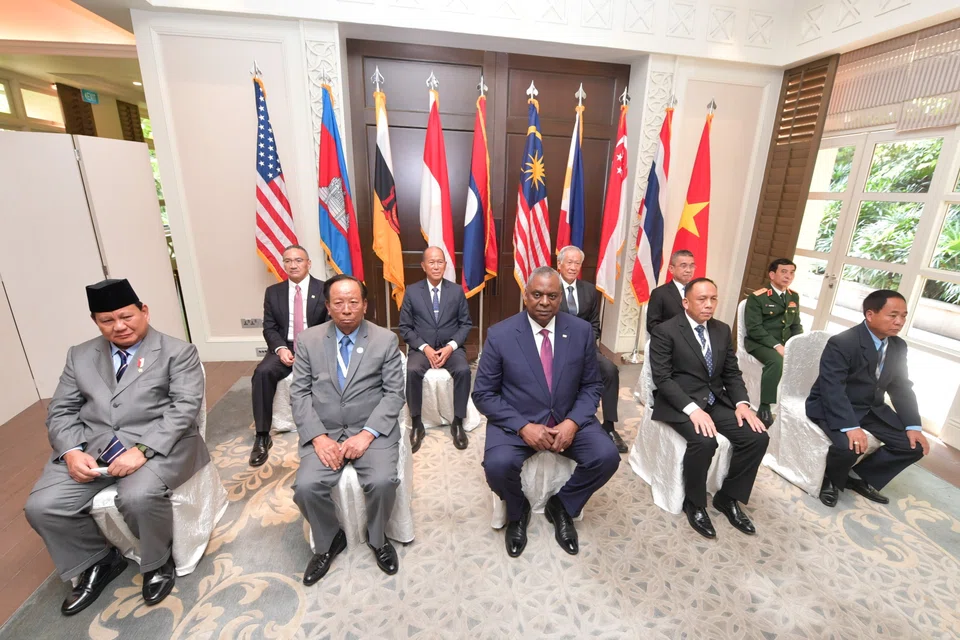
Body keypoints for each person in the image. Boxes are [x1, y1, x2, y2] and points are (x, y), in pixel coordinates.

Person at [25, 279, 207, 615]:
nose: (119, 326)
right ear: (96, 321)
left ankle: (157, 563)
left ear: (144, 311)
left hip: (155, 445)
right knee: (42, 506)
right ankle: (97, 560)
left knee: (138, 497)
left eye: (126, 316)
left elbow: (184, 409)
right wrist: (71, 451)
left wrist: (142, 449)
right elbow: (61, 409)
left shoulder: (177, 352)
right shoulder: (80, 355)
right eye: (107, 320)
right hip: (92, 448)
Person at [474, 267, 620, 558]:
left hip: (569, 418)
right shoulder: (501, 334)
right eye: (537, 295)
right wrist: (522, 426)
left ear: (560, 298)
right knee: (497, 467)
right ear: (525, 295)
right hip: (518, 423)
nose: (544, 302)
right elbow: (483, 394)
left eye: (552, 296)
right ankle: (518, 512)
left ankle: (563, 505)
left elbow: (592, 385)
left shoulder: (579, 332)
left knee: (607, 457)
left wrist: (573, 422)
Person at [290, 274, 406, 585]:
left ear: (365, 305)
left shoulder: (385, 340)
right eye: (338, 303)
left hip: (371, 429)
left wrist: (368, 434)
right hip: (324, 430)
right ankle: (329, 540)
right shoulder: (308, 340)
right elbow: (299, 393)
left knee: (383, 481)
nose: (346, 309)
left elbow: (395, 393)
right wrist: (317, 437)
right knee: (305, 488)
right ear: (327, 306)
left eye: (354, 302)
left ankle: (378, 538)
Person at [649, 277, 769, 539]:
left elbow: (731, 373)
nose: (709, 305)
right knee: (705, 441)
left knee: (757, 437)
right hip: (679, 403)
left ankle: (728, 498)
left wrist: (742, 404)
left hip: (715, 401)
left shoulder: (722, 330)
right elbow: (663, 379)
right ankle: (695, 503)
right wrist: (692, 409)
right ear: (685, 302)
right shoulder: (666, 331)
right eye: (702, 299)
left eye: (713, 299)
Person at [806, 289, 928, 507]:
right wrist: (849, 426)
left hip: (871, 407)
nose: (899, 322)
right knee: (848, 447)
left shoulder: (898, 346)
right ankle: (831, 480)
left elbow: (900, 387)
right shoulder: (843, 342)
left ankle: (860, 477)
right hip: (832, 404)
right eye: (893, 315)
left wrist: (913, 425)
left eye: (904, 316)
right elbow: (832, 388)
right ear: (870, 315)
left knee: (913, 447)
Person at [250, 245, 328, 467]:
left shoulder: (324, 289)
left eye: (298, 260)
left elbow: (329, 325)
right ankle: (262, 435)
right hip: (286, 345)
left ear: (308, 263)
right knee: (262, 373)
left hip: (316, 344)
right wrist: (281, 348)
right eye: (288, 261)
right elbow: (269, 327)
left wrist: (311, 347)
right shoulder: (273, 292)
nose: (293, 265)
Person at [399, 247, 473, 452]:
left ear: (445, 265)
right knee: (412, 371)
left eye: (440, 262)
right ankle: (417, 423)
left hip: (451, 347)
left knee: (464, 371)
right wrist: (425, 348)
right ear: (423, 266)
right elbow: (405, 327)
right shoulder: (412, 291)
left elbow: (466, 324)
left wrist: (451, 347)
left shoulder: (456, 291)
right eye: (431, 262)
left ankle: (458, 422)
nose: (436, 266)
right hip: (422, 348)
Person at [556, 245, 627, 453]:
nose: (573, 267)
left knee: (610, 370)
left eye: (577, 263)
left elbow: (594, 324)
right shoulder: (550, 287)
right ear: (559, 264)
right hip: (556, 348)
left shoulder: (588, 290)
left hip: (586, 348)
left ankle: (610, 425)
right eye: (569, 262)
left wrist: (586, 345)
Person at [744, 258, 803, 426]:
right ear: (772, 274)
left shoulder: (793, 296)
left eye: (791, 272)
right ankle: (765, 406)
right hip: (760, 343)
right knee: (776, 361)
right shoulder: (758, 297)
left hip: (784, 343)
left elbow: (795, 325)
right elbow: (754, 329)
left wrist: (799, 344)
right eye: (783, 272)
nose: (788, 276)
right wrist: (776, 346)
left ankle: (791, 403)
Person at [646, 250, 696, 335]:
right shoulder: (660, 293)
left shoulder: (698, 292)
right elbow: (653, 325)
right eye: (683, 266)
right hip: (671, 342)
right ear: (671, 269)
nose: (688, 270)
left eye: (692, 266)